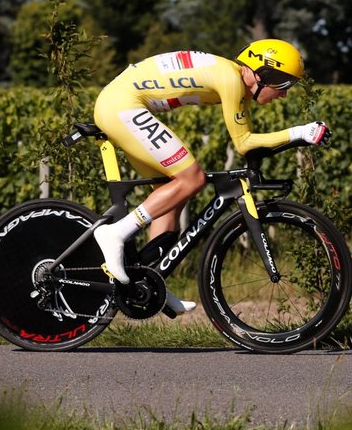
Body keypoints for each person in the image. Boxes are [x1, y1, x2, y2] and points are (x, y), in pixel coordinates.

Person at [91, 39, 331, 315]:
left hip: (123, 103)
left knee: (173, 190)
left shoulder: (236, 84)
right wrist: (300, 133)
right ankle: (114, 234)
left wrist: (294, 140)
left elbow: (249, 145)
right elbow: (243, 142)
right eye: (284, 85)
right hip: (122, 105)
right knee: (192, 178)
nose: (284, 94)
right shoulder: (230, 79)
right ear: (263, 74)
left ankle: (149, 278)